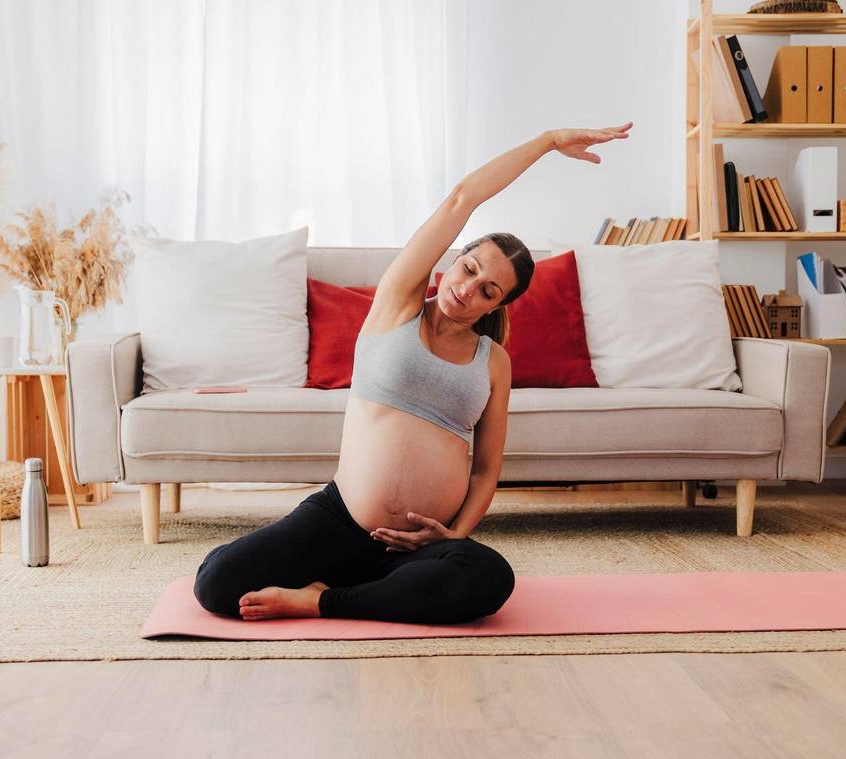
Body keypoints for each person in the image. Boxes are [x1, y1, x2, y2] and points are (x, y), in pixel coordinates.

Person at [192, 122, 633, 624]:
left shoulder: (493, 361)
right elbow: (462, 198)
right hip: (340, 520)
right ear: (457, 259)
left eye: (489, 290)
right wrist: (547, 143)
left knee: (488, 578)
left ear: (501, 303)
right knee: (216, 583)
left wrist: (457, 534)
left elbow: (487, 467)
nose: (469, 289)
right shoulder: (397, 306)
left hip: (417, 543)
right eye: (470, 269)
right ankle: (367, 592)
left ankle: (322, 598)